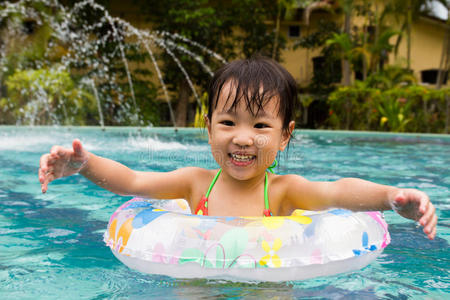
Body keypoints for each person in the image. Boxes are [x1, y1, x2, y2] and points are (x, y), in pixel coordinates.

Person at [38, 57, 437, 240]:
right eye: (228, 122)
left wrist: (390, 198)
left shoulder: (283, 191)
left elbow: (336, 191)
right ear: (208, 128)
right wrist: (84, 164)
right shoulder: (196, 185)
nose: (242, 137)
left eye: (261, 125)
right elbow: (134, 180)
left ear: (285, 135)